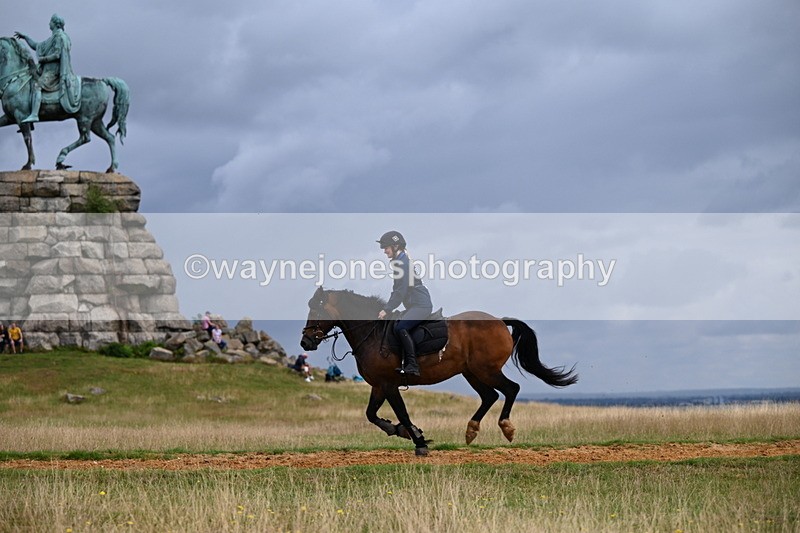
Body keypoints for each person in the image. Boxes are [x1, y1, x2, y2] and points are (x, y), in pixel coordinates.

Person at [376, 231, 433, 376]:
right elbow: (397, 290)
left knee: (401, 327)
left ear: (395, 246)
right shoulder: (400, 261)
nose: (384, 251)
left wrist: (387, 309)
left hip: (421, 305)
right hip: (414, 305)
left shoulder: (402, 263)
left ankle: (413, 366)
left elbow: (400, 291)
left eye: (386, 247)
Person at [14, 13, 81, 123]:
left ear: (55, 24)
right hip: (47, 70)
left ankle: (34, 114)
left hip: (54, 72)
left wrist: (43, 59)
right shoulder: (53, 38)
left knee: (37, 86)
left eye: (50, 21)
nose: (48, 23)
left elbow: (57, 54)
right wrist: (25, 37)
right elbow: (37, 46)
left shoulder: (60, 37)